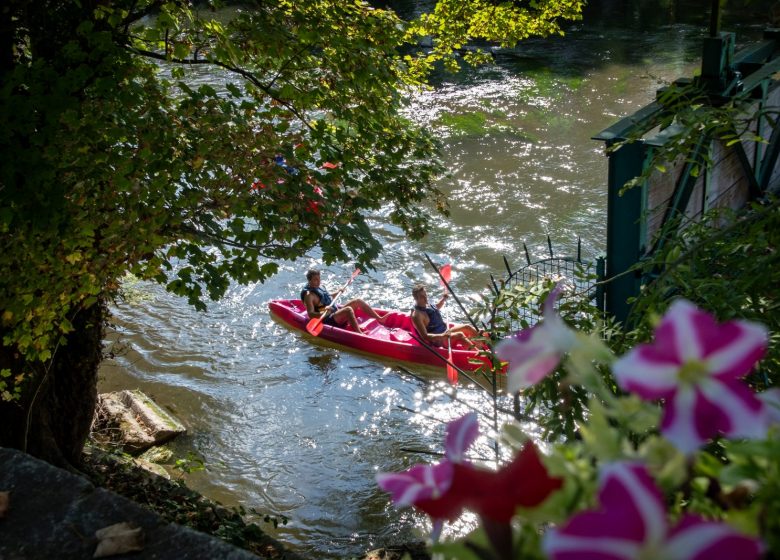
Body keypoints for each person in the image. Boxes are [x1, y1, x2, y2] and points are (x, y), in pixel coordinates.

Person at [301, 269, 386, 334]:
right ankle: (359, 333)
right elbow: (310, 314)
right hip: (327, 319)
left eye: (319, 279)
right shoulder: (309, 295)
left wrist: (338, 292)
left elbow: (327, 297)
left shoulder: (319, 287)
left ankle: (380, 319)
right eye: (316, 279)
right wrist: (323, 311)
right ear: (309, 280)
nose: (318, 281)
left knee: (357, 301)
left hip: (334, 313)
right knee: (348, 309)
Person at [410, 284, 478, 348]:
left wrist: (443, 298)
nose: (425, 298)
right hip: (438, 340)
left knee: (467, 327)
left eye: (425, 294)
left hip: (445, 331)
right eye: (422, 296)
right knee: (459, 335)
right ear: (416, 299)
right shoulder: (417, 315)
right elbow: (425, 336)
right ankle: (479, 355)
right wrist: (442, 336)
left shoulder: (425, 304)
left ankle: (481, 344)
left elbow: (436, 307)